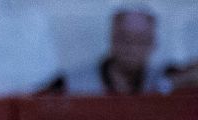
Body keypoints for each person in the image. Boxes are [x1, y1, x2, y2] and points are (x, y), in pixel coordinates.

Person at [40, 5, 171, 95]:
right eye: (124, 39)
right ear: (112, 39)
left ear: (153, 44)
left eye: (141, 41)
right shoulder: (72, 84)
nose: (132, 48)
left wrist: (166, 84)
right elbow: (32, 108)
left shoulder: (163, 77)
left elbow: (191, 74)